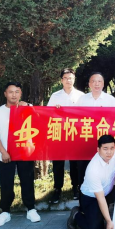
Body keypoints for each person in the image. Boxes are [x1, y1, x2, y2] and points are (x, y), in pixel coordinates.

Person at [0, 82, 40, 227]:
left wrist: (27, 107)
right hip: (6, 155)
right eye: (11, 92)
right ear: (5, 94)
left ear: (21, 93)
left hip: (24, 153)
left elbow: (42, 122)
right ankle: (5, 212)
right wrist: (3, 152)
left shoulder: (28, 108)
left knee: (27, 181)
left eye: (17, 92)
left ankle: (31, 209)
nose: (14, 95)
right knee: (6, 184)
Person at [67, 135, 115, 229]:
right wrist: (109, 221)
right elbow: (100, 198)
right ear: (98, 150)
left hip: (109, 192)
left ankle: (105, 214)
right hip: (92, 198)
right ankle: (76, 214)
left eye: (112, 148)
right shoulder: (93, 170)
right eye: (105, 149)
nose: (109, 152)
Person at [47, 68, 85, 203]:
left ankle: (76, 187)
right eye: (66, 78)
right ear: (61, 80)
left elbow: (85, 115)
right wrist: (55, 111)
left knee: (75, 162)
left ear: (74, 79)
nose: (68, 80)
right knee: (58, 162)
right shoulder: (55, 96)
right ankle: (57, 189)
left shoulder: (81, 96)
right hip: (59, 133)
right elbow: (48, 114)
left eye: (71, 78)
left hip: (75, 133)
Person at [77, 73, 115, 194]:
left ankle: (104, 190)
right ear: (89, 84)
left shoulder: (110, 100)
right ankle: (83, 189)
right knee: (84, 163)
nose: (96, 84)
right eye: (93, 81)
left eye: (99, 81)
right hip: (86, 137)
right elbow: (75, 116)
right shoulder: (82, 99)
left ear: (103, 84)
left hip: (103, 139)